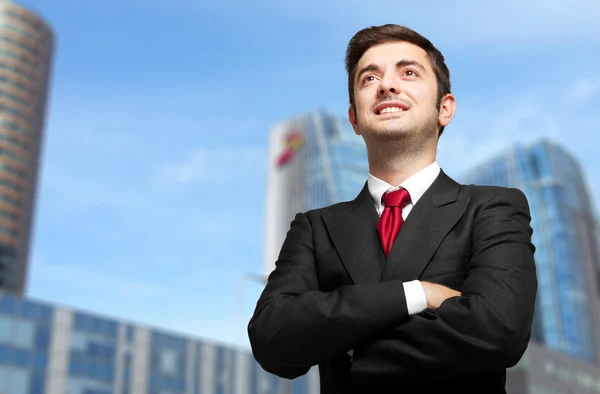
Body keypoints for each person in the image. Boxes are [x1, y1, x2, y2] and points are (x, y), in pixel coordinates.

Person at [248, 24, 537, 393]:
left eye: (409, 72)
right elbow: (273, 337)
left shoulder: (493, 208)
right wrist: (417, 293)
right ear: (354, 118)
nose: (387, 85)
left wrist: (346, 337)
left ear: (444, 108)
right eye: (369, 78)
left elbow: (498, 330)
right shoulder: (315, 228)